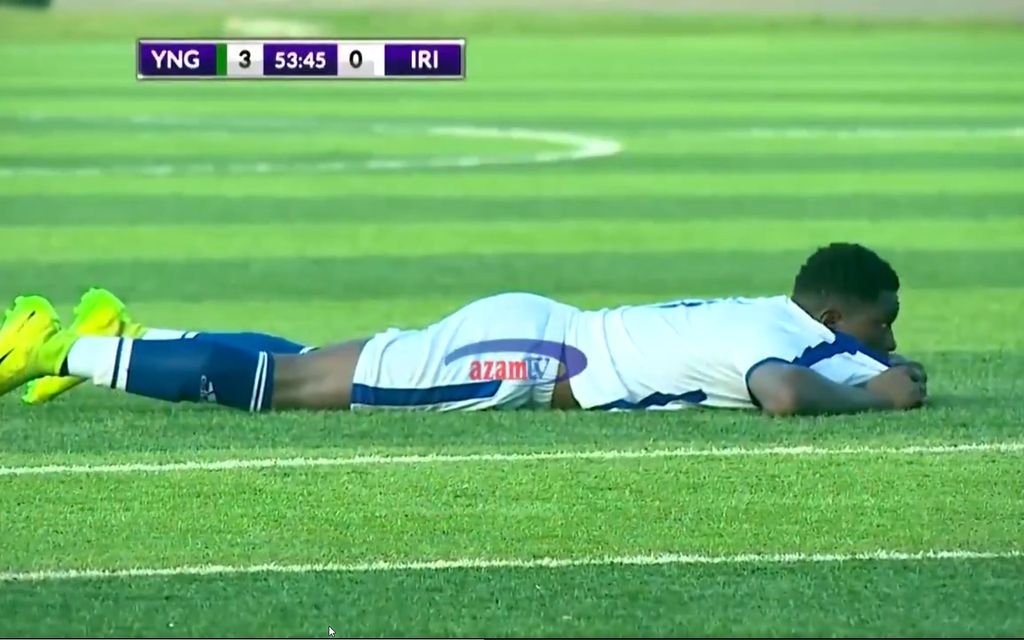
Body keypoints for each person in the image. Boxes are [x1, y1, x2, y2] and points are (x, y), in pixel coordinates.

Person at [0, 242, 927, 416]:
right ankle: (53, 345)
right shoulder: (785, 347)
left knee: (315, 362)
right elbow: (782, 394)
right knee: (294, 387)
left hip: (539, 331)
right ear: (833, 317)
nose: (885, 342)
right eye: (879, 327)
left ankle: (124, 334)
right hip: (525, 361)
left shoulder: (775, 315)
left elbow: (825, 365)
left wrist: (882, 374)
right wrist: (880, 400)